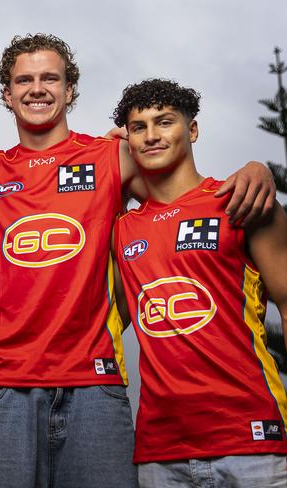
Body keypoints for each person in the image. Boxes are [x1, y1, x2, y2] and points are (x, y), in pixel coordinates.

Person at [0, 34, 277, 487]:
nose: (36, 88)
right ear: (6, 93)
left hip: (95, 384)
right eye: (24, 79)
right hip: (3, 386)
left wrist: (255, 168)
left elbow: (185, 190)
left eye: (50, 78)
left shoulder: (114, 156)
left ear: (70, 89)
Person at [111, 78, 287, 487]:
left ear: (192, 130)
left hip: (253, 443)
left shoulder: (241, 202)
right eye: (139, 127)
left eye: (165, 122)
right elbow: (111, 319)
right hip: (161, 452)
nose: (152, 135)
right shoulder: (122, 230)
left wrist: (257, 168)